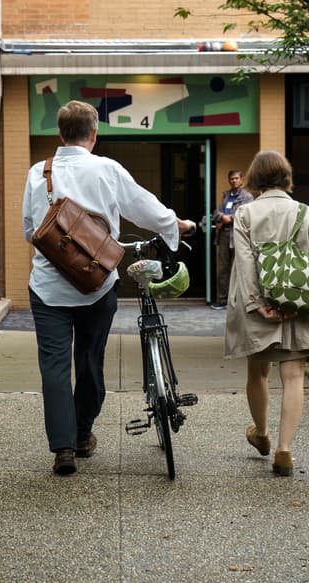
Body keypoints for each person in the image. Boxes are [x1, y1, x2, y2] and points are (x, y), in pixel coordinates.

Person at [22, 100, 196, 477]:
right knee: (89, 360)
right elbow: (144, 208)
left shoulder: (39, 172)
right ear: (94, 134)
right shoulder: (107, 169)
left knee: (54, 367)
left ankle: (63, 448)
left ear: (60, 134)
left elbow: (29, 230)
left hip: (48, 287)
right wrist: (175, 225)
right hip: (96, 285)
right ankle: (83, 433)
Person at [223, 150, 309, 477]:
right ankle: (284, 450)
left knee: (258, 372)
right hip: (297, 306)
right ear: (286, 177)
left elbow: (244, 262)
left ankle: (261, 432)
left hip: (258, 306)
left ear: (255, 178)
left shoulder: (245, 213)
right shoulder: (305, 212)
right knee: (294, 375)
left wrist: (258, 304)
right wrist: (296, 300)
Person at [211, 168, 252, 309]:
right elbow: (216, 213)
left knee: (238, 269)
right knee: (222, 269)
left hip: (238, 236)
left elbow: (246, 215)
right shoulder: (226, 195)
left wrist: (231, 218)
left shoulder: (247, 197)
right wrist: (223, 217)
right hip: (224, 235)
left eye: (236, 178)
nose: (234, 181)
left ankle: (238, 301)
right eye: (231, 179)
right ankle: (222, 300)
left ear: (242, 179)